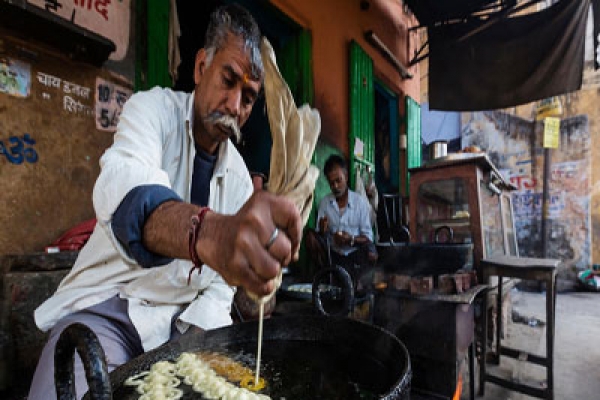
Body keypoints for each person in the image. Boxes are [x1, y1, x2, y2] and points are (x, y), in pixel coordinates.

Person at [28, 5, 301, 400]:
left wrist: (253, 284)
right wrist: (213, 235)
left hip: (184, 330)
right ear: (200, 66)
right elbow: (129, 194)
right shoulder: (151, 111)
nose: (234, 105)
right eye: (228, 80)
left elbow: (220, 293)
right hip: (112, 307)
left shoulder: (240, 179)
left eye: (248, 98)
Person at [305, 154, 378, 288]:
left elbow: (369, 237)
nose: (336, 186)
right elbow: (320, 236)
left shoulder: (359, 202)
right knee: (310, 236)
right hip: (333, 256)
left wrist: (351, 239)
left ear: (346, 175)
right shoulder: (325, 203)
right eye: (331, 183)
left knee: (371, 251)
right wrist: (322, 230)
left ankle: (361, 284)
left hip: (354, 257)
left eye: (339, 180)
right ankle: (325, 277)